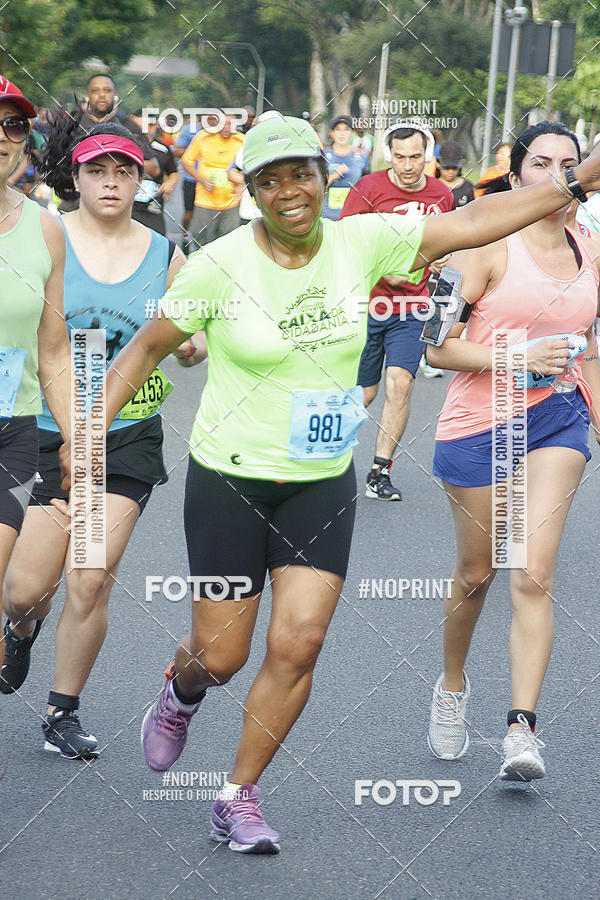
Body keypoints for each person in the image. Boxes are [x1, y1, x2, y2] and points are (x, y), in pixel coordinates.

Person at [59, 114, 600, 849]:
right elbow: (145, 351)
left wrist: (572, 182)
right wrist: (91, 428)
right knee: (221, 655)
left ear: (324, 178)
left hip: (319, 481)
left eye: (302, 174)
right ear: (252, 191)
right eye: (271, 179)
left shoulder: (360, 241)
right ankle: (182, 689)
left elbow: (474, 221)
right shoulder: (219, 266)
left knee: (301, 642)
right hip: (232, 480)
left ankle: (238, 797)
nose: (290, 191)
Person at [1, 111, 189, 760]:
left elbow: (185, 337)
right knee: (25, 590)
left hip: (128, 434)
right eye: (96, 169)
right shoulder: (46, 238)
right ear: (74, 176)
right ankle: (21, 629)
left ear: (143, 180)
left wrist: (189, 346)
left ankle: (61, 709)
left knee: (90, 573)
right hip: (49, 429)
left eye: (124, 170)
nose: (110, 181)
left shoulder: (167, 254)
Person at [426, 122, 600, 782]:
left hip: (558, 419)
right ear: (518, 173)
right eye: (540, 162)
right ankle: (451, 685)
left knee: (533, 572)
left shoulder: (591, 248)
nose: (557, 173)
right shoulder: (486, 242)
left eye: (569, 162)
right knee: (477, 575)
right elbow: (435, 348)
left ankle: (521, 729)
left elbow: (588, 345)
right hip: (479, 423)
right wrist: (516, 356)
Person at [339, 122, 455, 500]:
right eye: (400, 157)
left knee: (401, 383)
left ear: (428, 156)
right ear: (389, 155)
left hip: (413, 308)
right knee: (364, 393)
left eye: (416, 157)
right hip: (369, 304)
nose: (408, 165)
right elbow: (345, 243)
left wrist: (441, 261)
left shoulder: (441, 195)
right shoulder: (368, 188)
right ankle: (323, 463)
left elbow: (449, 247)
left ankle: (379, 471)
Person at [0, 75, 70, 680]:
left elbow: (53, 352)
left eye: (13, 124)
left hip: (12, 433)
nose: (2, 136)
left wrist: (76, 434)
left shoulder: (46, 229)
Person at [58, 74, 159, 213]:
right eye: (95, 91)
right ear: (88, 95)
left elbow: (154, 168)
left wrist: (118, 165)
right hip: (75, 206)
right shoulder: (72, 125)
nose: (101, 95)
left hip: (117, 210)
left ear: (115, 94)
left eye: (106, 90)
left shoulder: (128, 126)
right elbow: (56, 164)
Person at [181, 113, 244, 250]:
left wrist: (241, 186)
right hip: (205, 201)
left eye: (230, 124)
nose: (226, 128)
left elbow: (249, 168)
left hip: (231, 202)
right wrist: (201, 179)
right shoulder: (203, 137)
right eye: (223, 124)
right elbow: (186, 162)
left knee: (228, 246)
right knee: (202, 244)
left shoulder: (242, 140)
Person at [130, 109, 179, 235]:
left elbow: (173, 172)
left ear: (153, 127)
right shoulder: (125, 148)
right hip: (128, 205)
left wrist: (170, 184)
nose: (141, 132)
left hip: (153, 206)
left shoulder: (162, 149)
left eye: (145, 127)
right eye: (137, 128)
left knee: (157, 242)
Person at [322, 115, 369, 220]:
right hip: (326, 217)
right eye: (338, 130)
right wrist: (334, 176)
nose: (342, 134)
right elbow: (315, 188)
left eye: (346, 130)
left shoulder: (361, 158)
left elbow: (368, 189)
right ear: (331, 133)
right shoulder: (323, 156)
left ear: (352, 134)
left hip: (353, 216)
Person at [437, 141, 474, 208]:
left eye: (454, 168)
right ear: (438, 164)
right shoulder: (432, 186)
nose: (450, 172)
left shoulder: (468, 187)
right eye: (446, 168)